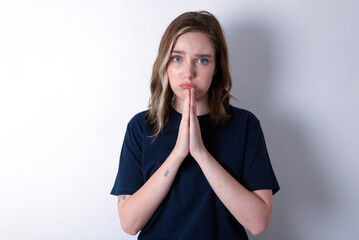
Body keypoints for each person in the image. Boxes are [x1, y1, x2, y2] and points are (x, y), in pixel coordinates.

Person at [111, 11, 279, 239]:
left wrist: (200, 153)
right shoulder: (141, 127)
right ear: (165, 63)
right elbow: (129, 223)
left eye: (202, 60)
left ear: (216, 67)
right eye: (177, 58)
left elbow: (258, 222)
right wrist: (178, 154)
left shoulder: (245, 125)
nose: (188, 73)